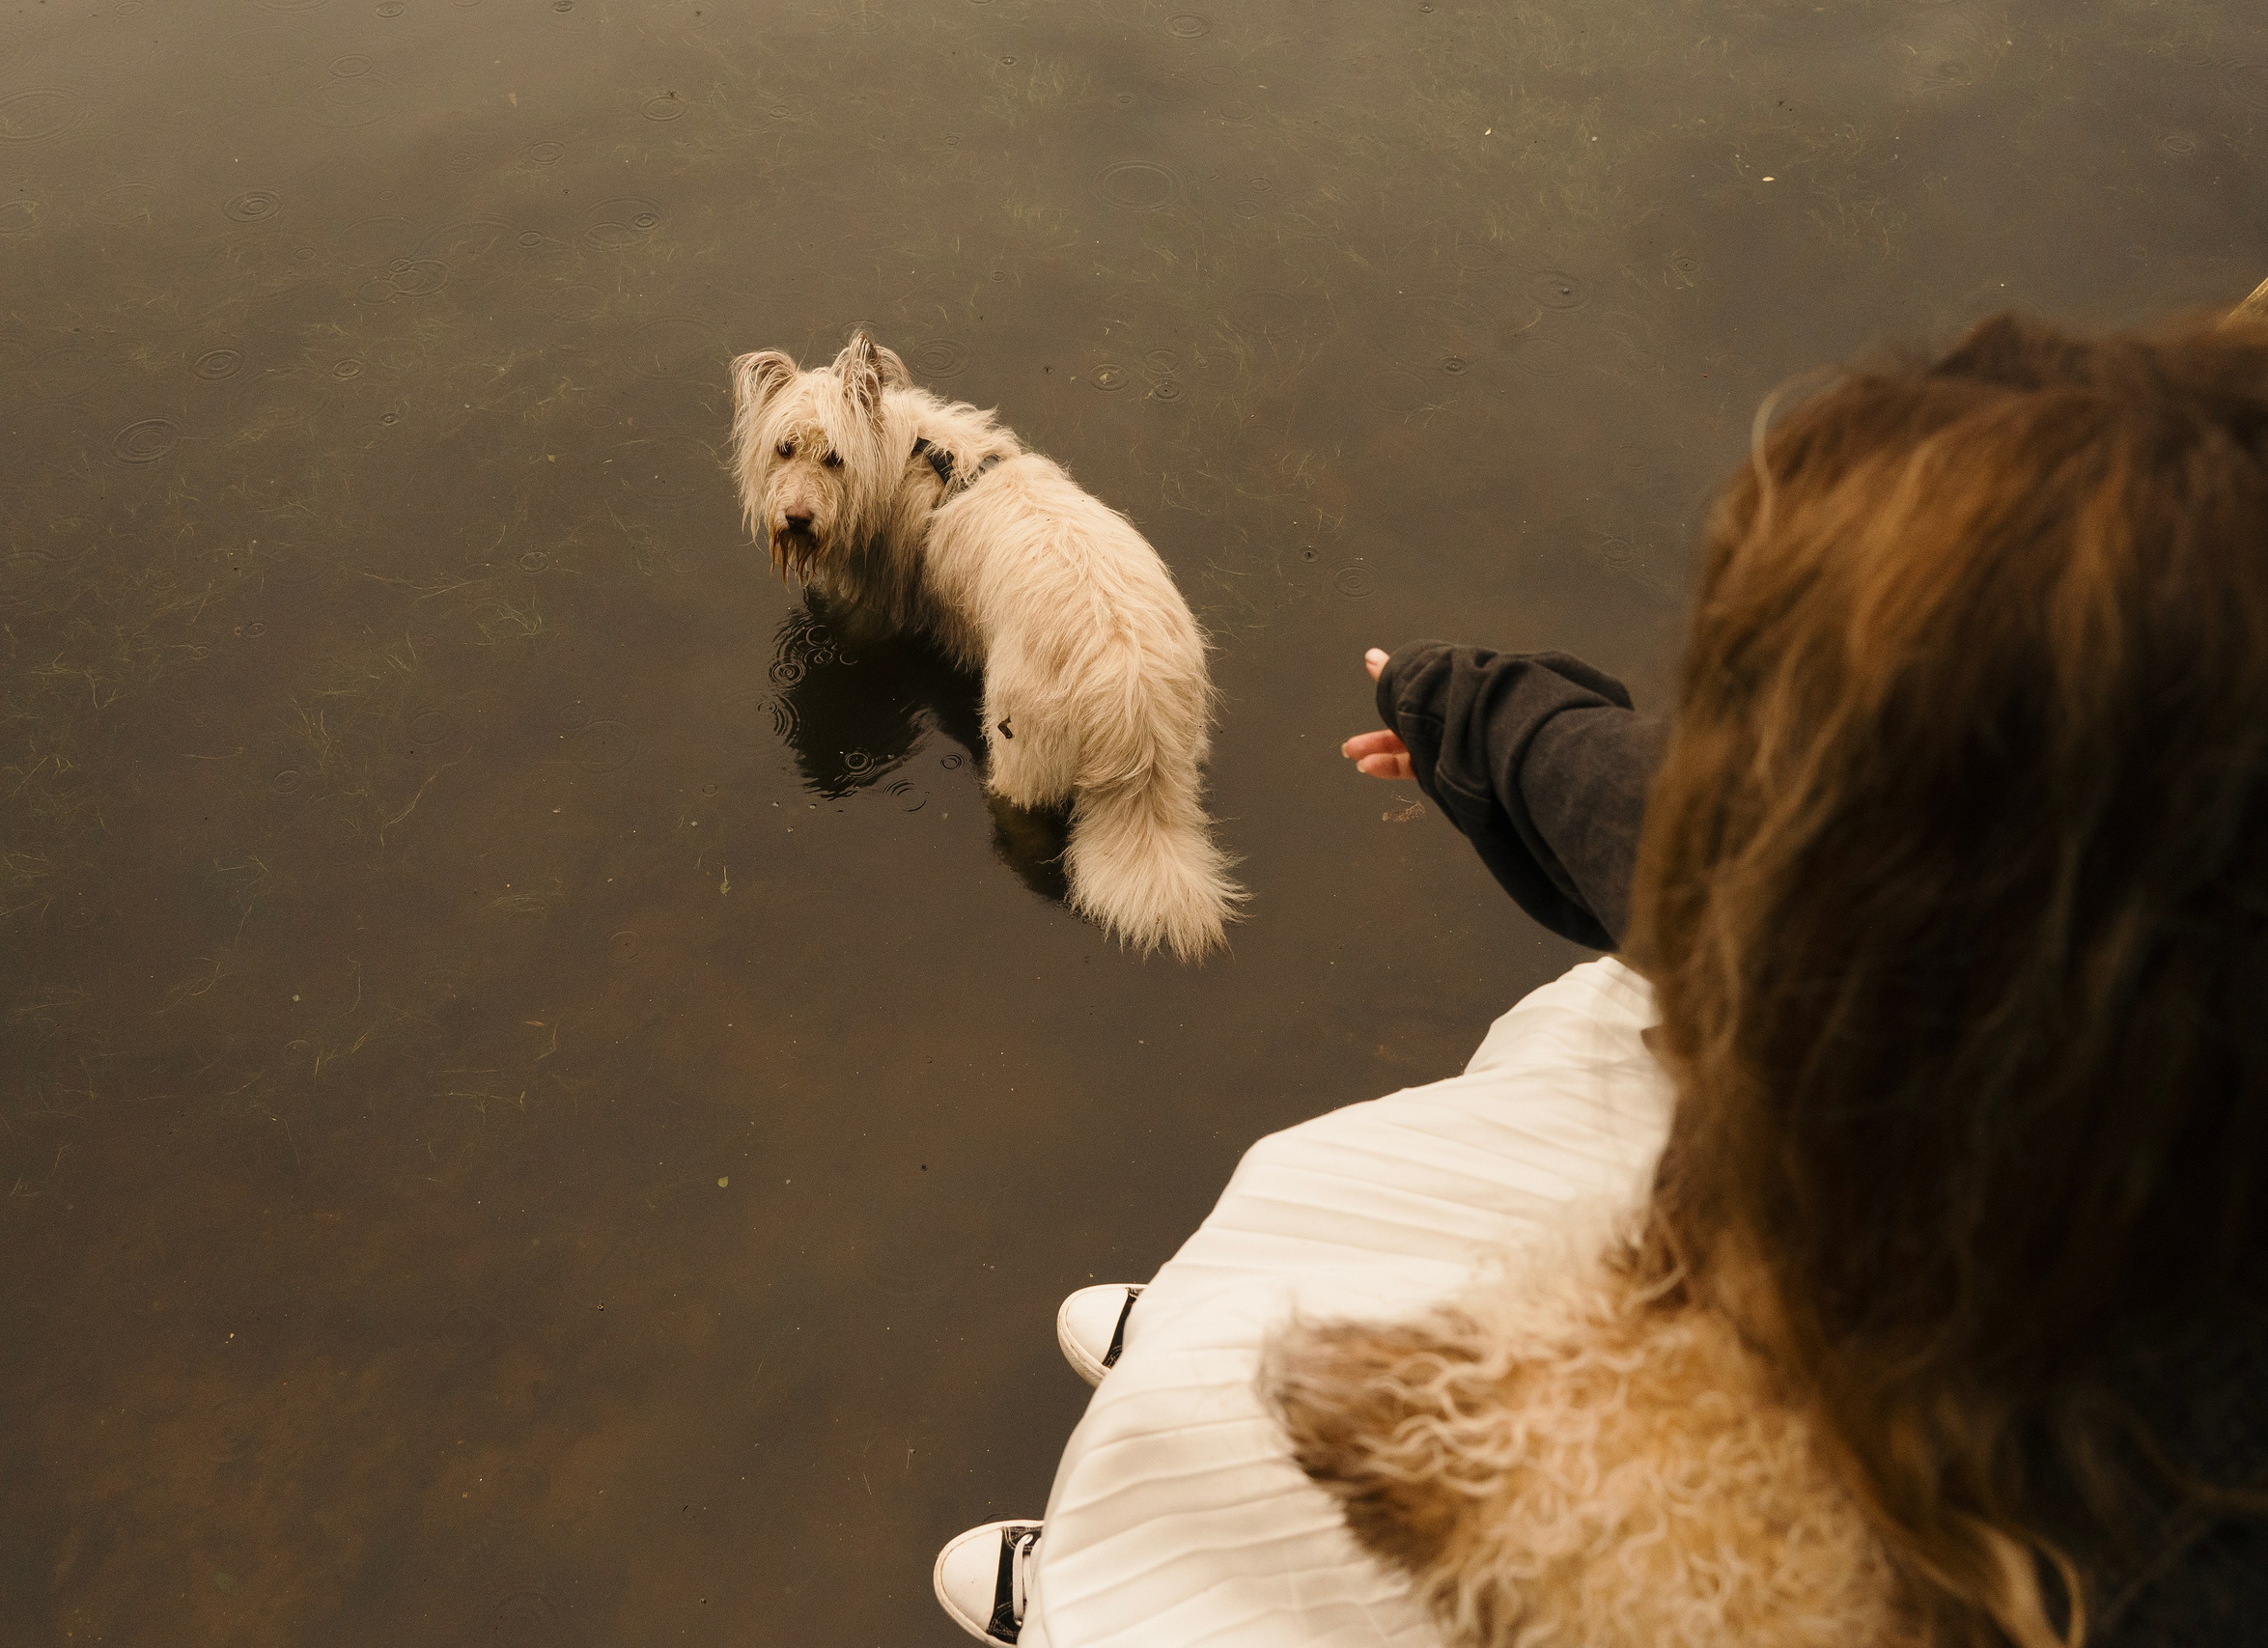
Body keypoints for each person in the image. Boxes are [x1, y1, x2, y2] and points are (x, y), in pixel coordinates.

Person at [931, 312, 2268, 1647]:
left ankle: (1117, 1584)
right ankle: (1214, 1347)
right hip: (1884, 1218)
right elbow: (1713, 843)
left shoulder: (2157, 1546)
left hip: (1872, 1437)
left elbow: (1726, 857)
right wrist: (1491, 722)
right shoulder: (2050, 909)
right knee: (1343, 1192)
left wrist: (1492, 717)